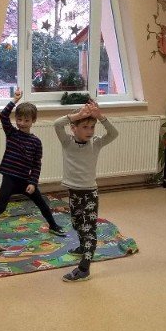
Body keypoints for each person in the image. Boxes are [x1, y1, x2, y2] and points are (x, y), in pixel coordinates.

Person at [0, 89, 67, 236]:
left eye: (26, 120)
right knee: (1, 206)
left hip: (25, 180)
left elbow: (36, 164)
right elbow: (3, 115)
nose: (22, 123)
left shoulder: (36, 142)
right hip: (9, 178)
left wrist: (33, 183)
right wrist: (15, 100)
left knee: (41, 202)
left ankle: (53, 225)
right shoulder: (11, 133)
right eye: (19, 119)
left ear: (33, 121)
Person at [54, 100, 118, 282]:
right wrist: (77, 115)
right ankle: (83, 247)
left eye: (92, 127)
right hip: (73, 192)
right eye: (85, 127)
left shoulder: (96, 143)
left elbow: (114, 133)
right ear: (73, 128)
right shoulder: (67, 142)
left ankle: (84, 269)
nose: (90, 131)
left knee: (88, 230)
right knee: (76, 224)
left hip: (89, 193)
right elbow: (57, 124)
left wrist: (100, 117)